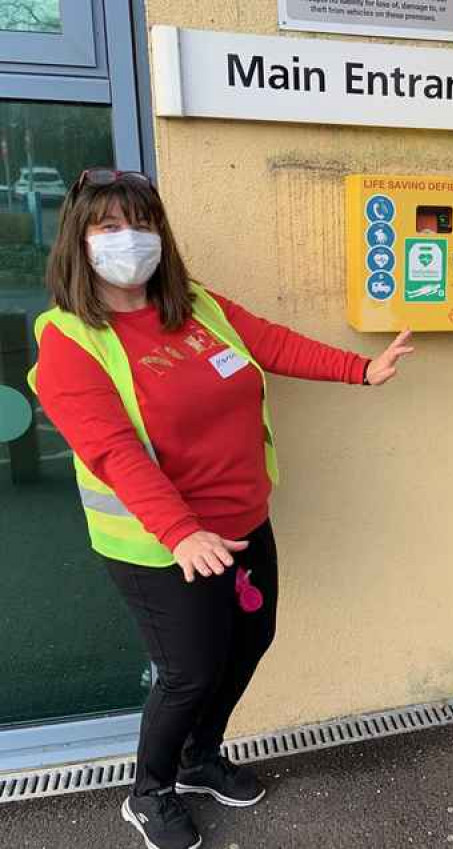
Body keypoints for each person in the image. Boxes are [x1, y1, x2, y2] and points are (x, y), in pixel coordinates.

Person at [29, 168, 415, 849]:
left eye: (143, 223)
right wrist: (180, 532)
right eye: (110, 226)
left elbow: (271, 341)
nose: (131, 239)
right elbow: (115, 454)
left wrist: (360, 369)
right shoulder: (70, 341)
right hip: (161, 545)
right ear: (79, 244)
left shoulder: (195, 305)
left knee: (249, 643)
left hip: (243, 522)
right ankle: (148, 792)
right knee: (188, 672)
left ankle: (199, 758)